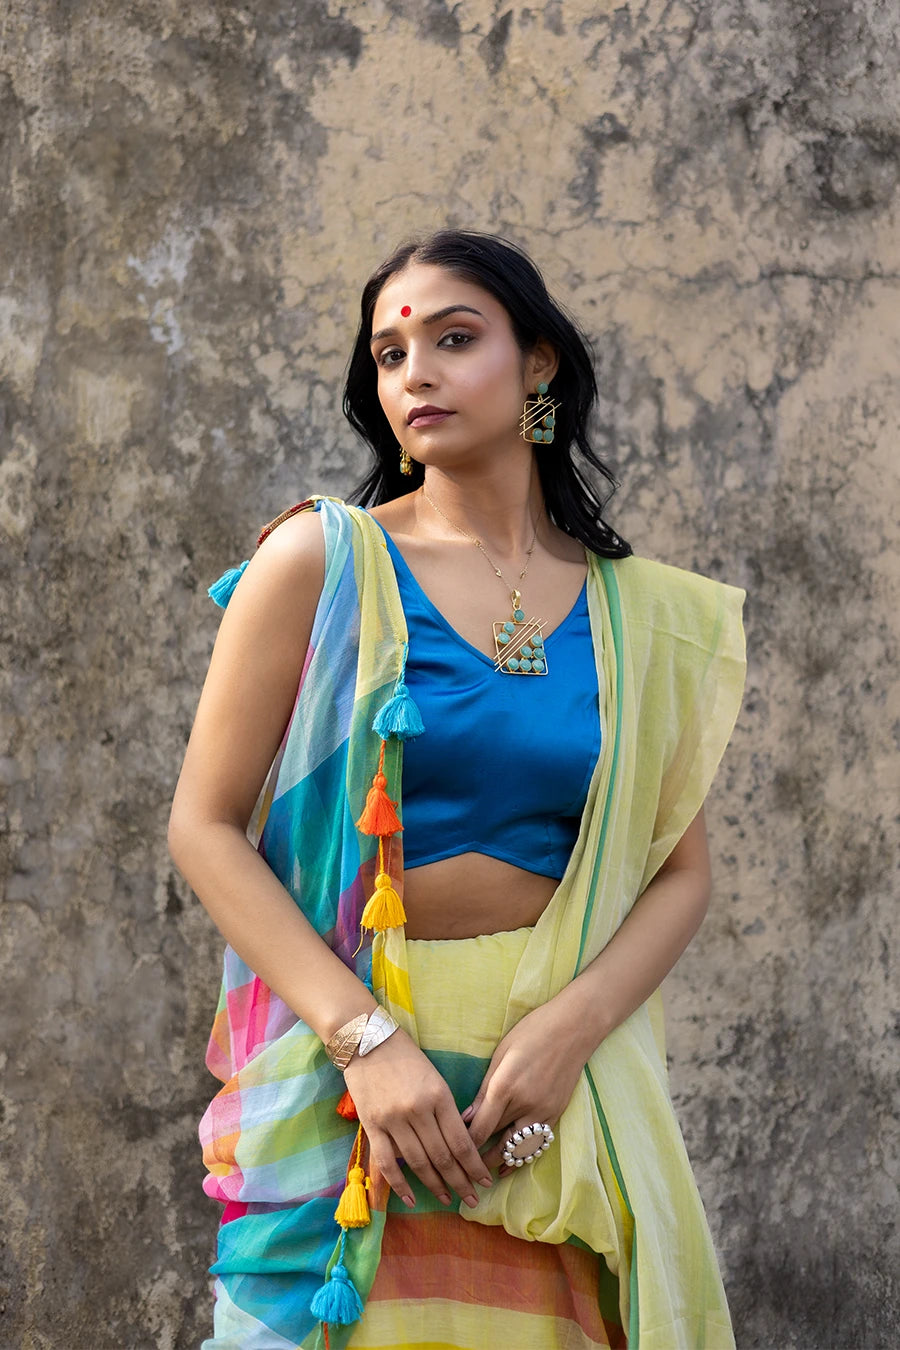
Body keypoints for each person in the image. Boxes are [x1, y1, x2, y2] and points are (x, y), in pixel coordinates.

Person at [168, 229, 747, 1350]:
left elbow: (679, 871)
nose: (414, 373)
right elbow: (203, 827)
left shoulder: (642, 616)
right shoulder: (325, 566)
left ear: (539, 366)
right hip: (357, 1072)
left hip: (551, 1090)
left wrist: (571, 1031)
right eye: (389, 354)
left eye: (453, 338)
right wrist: (366, 1044)